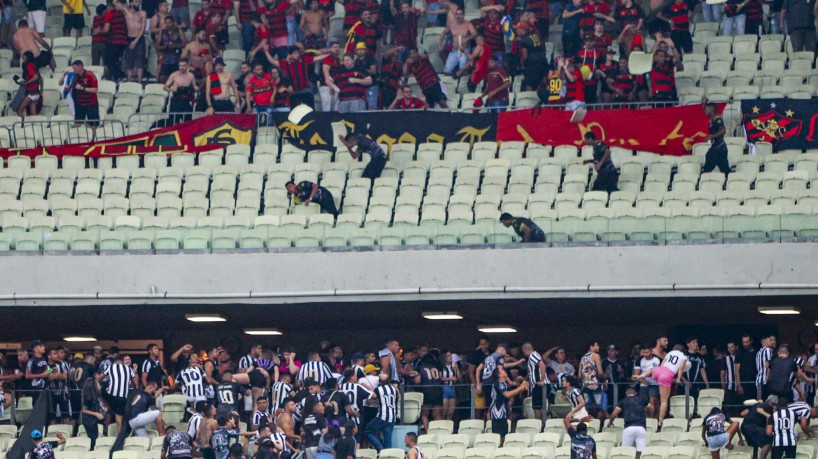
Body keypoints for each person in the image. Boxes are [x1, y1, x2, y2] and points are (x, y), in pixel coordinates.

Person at [639, 344, 687, 425]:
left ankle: (641, 375)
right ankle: (660, 420)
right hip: (667, 375)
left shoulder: (669, 353)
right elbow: (681, 367)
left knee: (652, 369)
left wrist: (659, 375)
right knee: (664, 401)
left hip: (660, 370)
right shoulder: (683, 356)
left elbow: (662, 364)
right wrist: (678, 379)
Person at [607, 387, 651, 458]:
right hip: (641, 427)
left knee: (625, 451)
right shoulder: (642, 399)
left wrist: (610, 422)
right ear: (636, 393)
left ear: (626, 393)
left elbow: (614, 414)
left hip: (629, 428)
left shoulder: (623, 401)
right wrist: (650, 415)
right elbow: (651, 407)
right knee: (641, 451)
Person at [491, 366, 529, 440]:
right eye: (502, 371)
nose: (505, 371)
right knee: (500, 436)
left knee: (503, 434)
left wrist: (520, 388)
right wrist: (521, 387)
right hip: (498, 413)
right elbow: (507, 395)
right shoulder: (500, 384)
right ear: (499, 375)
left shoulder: (502, 384)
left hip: (501, 412)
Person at [364, 374, 398, 451]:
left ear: (379, 381)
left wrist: (366, 387)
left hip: (382, 416)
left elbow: (372, 398)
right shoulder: (394, 389)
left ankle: (380, 448)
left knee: (367, 431)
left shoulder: (378, 389)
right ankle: (387, 454)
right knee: (388, 439)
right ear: (389, 381)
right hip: (392, 417)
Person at [441, 8, 476, 76]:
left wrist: (467, 39)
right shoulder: (452, 24)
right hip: (454, 50)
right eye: (457, 14)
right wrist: (440, 45)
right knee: (446, 71)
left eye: (460, 14)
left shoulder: (468, 24)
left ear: (464, 15)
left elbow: (475, 33)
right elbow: (444, 33)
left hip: (464, 51)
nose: (459, 16)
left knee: (463, 71)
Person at [70, 60, 100, 141]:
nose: (74, 70)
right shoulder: (74, 76)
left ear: (80, 67)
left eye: (75, 68)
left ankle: (93, 141)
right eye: (73, 68)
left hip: (91, 104)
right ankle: (79, 141)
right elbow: (61, 83)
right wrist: (64, 77)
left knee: (93, 125)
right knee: (78, 124)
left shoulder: (90, 75)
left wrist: (82, 88)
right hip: (79, 104)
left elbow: (95, 90)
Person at [119, 0, 147, 83]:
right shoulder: (127, 12)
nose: (138, 4)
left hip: (139, 39)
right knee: (129, 61)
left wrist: (136, 41)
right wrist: (127, 4)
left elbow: (143, 29)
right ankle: (129, 81)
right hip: (129, 38)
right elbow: (115, 2)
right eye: (136, 1)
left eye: (139, 2)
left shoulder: (143, 13)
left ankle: (139, 81)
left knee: (140, 61)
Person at [156, 15, 187, 84]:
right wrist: (164, 47)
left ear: (173, 23)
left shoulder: (179, 31)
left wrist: (175, 46)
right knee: (162, 79)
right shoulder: (162, 32)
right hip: (165, 58)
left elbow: (185, 43)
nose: (168, 25)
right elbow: (157, 45)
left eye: (169, 23)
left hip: (176, 57)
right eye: (166, 23)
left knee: (177, 79)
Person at [164, 59, 197, 123]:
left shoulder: (191, 75)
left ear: (187, 66)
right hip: (176, 100)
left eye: (184, 65)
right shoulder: (174, 75)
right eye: (180, 65)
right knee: (173, 121)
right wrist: (172, 89)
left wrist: (198, 89)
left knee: (187, 122)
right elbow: (165, 87)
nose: (182, 67)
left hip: (186, 100)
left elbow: (194, 86)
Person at [702, 98, 729, 174]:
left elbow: (723, 131)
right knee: (725, 170)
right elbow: (703, 110)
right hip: (718, 147)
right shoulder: (712, 119)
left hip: (719, 149)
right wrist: (704, 103)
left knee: (707, 170)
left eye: (706, 109)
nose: (705, 111)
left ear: (711, 110)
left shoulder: (717, 119)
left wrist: (711, 137)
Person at [17, 51, 42, 123]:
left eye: (24, 57)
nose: (23, 59)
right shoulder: (34, 65)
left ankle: (22, 126)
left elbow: (36, 77)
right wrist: (41, 91)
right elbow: (40, 79)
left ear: (28, 57)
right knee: (33, 114)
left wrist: (26, 83)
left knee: (19, 110)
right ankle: (35, 127)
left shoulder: (29, 65)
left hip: (31, 91)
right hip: (36, 92)